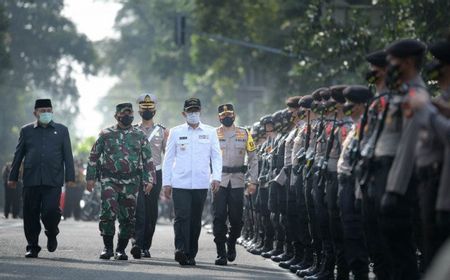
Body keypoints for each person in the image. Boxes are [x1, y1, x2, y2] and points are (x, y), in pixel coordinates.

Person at [86, 102, 156, 261]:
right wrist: (90, 178)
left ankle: (120, 249)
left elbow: (148, 160)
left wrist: (149, 179)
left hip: (131, 181)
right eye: (124, 113)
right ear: (116, 116)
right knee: (107, 212)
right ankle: (108, 248)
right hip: (109, 180)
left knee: (128, 217)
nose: (127, 116)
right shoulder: (106, 134)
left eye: (130, 113)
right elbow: (94, 156)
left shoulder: (139, 135)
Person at [8, 99, 75, 258]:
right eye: (42, 110)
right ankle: (32, 246)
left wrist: (70, 177)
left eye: (48, 110)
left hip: (53, 180)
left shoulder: (62, 130)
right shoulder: (26, 131)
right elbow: (18, 155)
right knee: (30, 213)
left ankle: (52, 232)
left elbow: (68, 156)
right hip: (31, 179)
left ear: (52, 111)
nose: (46, 113)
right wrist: (13, 177)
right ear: (35, 113)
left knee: (50, 211)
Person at [162, 97, 222, 266]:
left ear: (200, 112)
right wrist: (167, 183)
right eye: (190, 111)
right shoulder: (176, 132)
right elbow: (168, 159)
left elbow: (216, 156)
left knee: (195, 219)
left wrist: (216, 177)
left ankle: (191, 254)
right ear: (184, 113)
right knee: (181, 217)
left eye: (196, 111)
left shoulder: (210, 132)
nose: (193, 114)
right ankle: (180, 249)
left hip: (201, 182)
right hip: (180, 182)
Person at [213, 103, 258, 265]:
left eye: (229, 114)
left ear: (234, 115)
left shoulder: (245, 133)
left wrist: (253, 181)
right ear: (219, 117)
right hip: (219, 181)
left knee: (237, 219)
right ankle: (220, 252)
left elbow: (253, 158)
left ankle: (231, 243)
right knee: (218, 217)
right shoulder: (213, 134)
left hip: (238, 181)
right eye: (223, 115)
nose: (227, 117)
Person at [132, 93, 168, 259]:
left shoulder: (163, 132)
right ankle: (136, 243)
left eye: (150, 108)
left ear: (154, 110)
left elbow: (167, 157)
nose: (147, 111)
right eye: (144, 108)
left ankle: (146, 245)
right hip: (136, 173)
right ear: (139, 110)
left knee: (151, 211)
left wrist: (168, 181)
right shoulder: (132, 130)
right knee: (136, 209)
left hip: (156, 173)